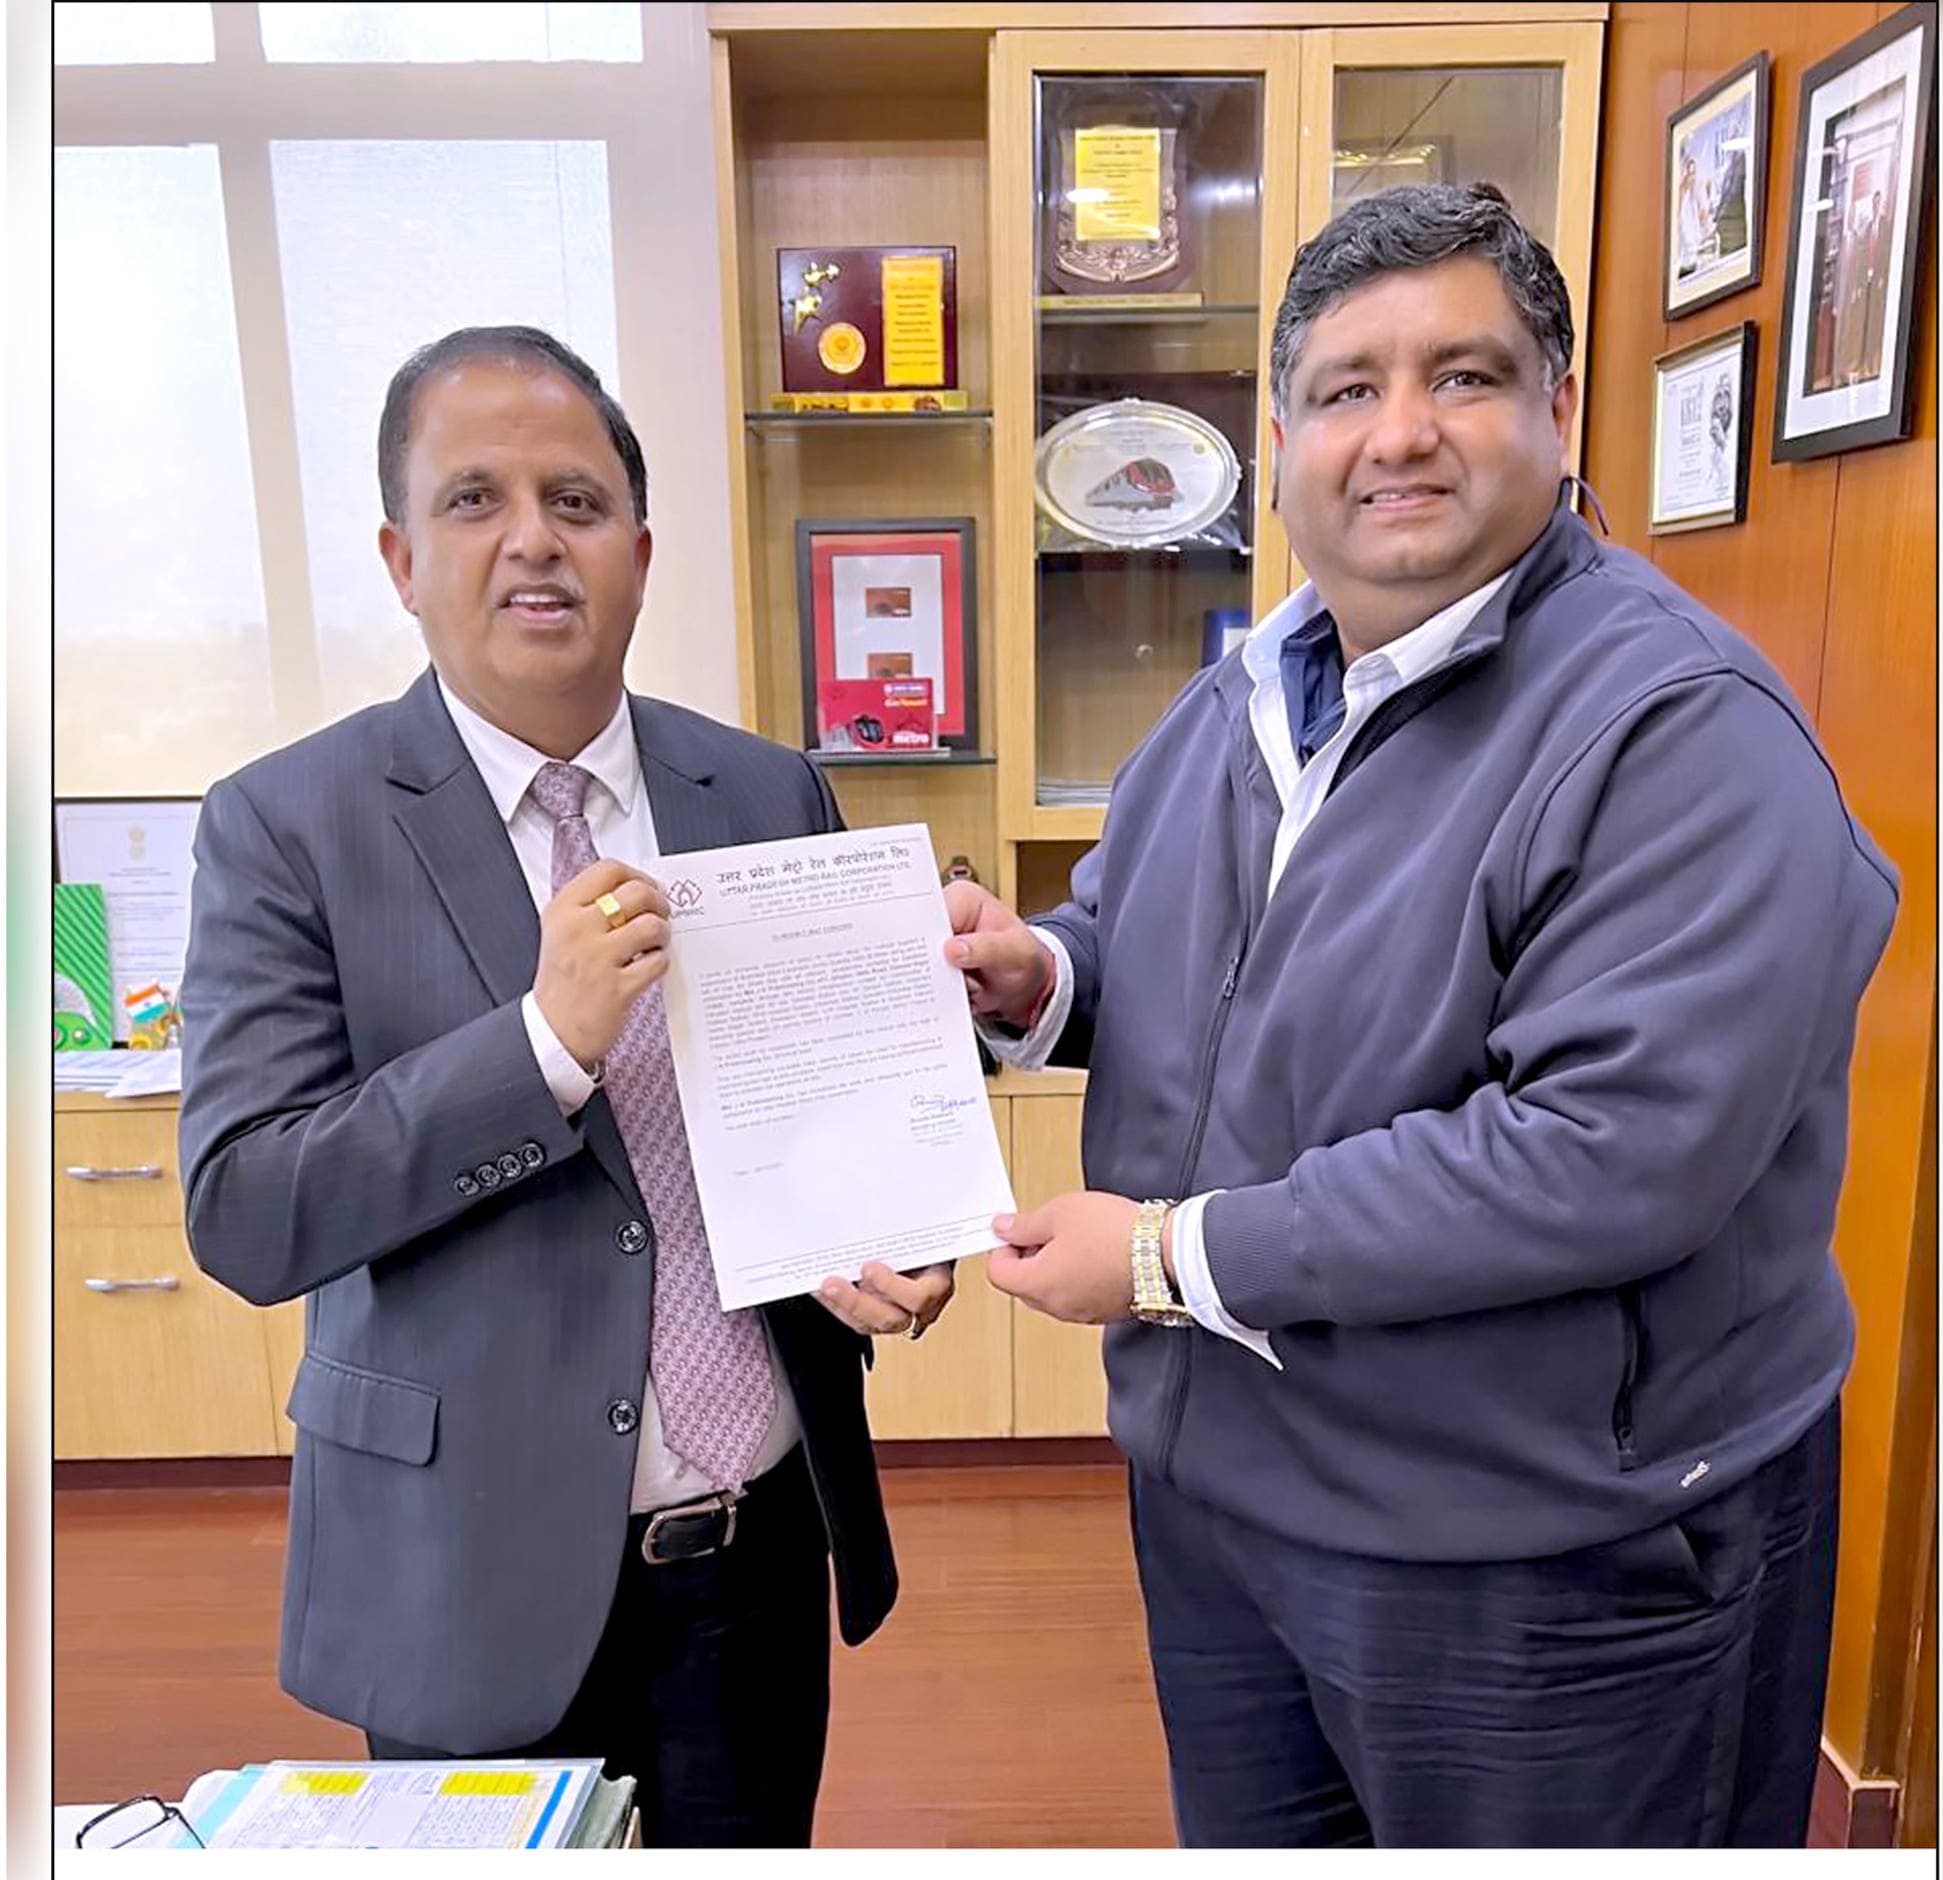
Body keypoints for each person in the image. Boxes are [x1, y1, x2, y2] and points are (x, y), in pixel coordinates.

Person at [943, 184, 1897, 1848]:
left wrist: (1166, 1257)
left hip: (1543, 1558)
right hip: (1229, 1505)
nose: (1399, 434)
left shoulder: (1682, 728)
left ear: (1559, 410)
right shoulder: (1251, 693)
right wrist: (1050, 975)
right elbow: (1182, 948)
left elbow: (1602, 1154)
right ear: (1281, 442)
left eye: (1462, 376)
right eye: (1346, 389)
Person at [178, 326, 954, 1847]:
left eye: (577, 502)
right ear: (402, 559)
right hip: (465, 1569)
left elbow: (829, 1117)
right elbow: (249, 1207)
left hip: (756, 1550)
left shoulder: (766, 788)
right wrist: (542, 1046)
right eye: (474, 500)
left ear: (640, 555)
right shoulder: (286, 824)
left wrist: (895, 1230)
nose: (533, 539)